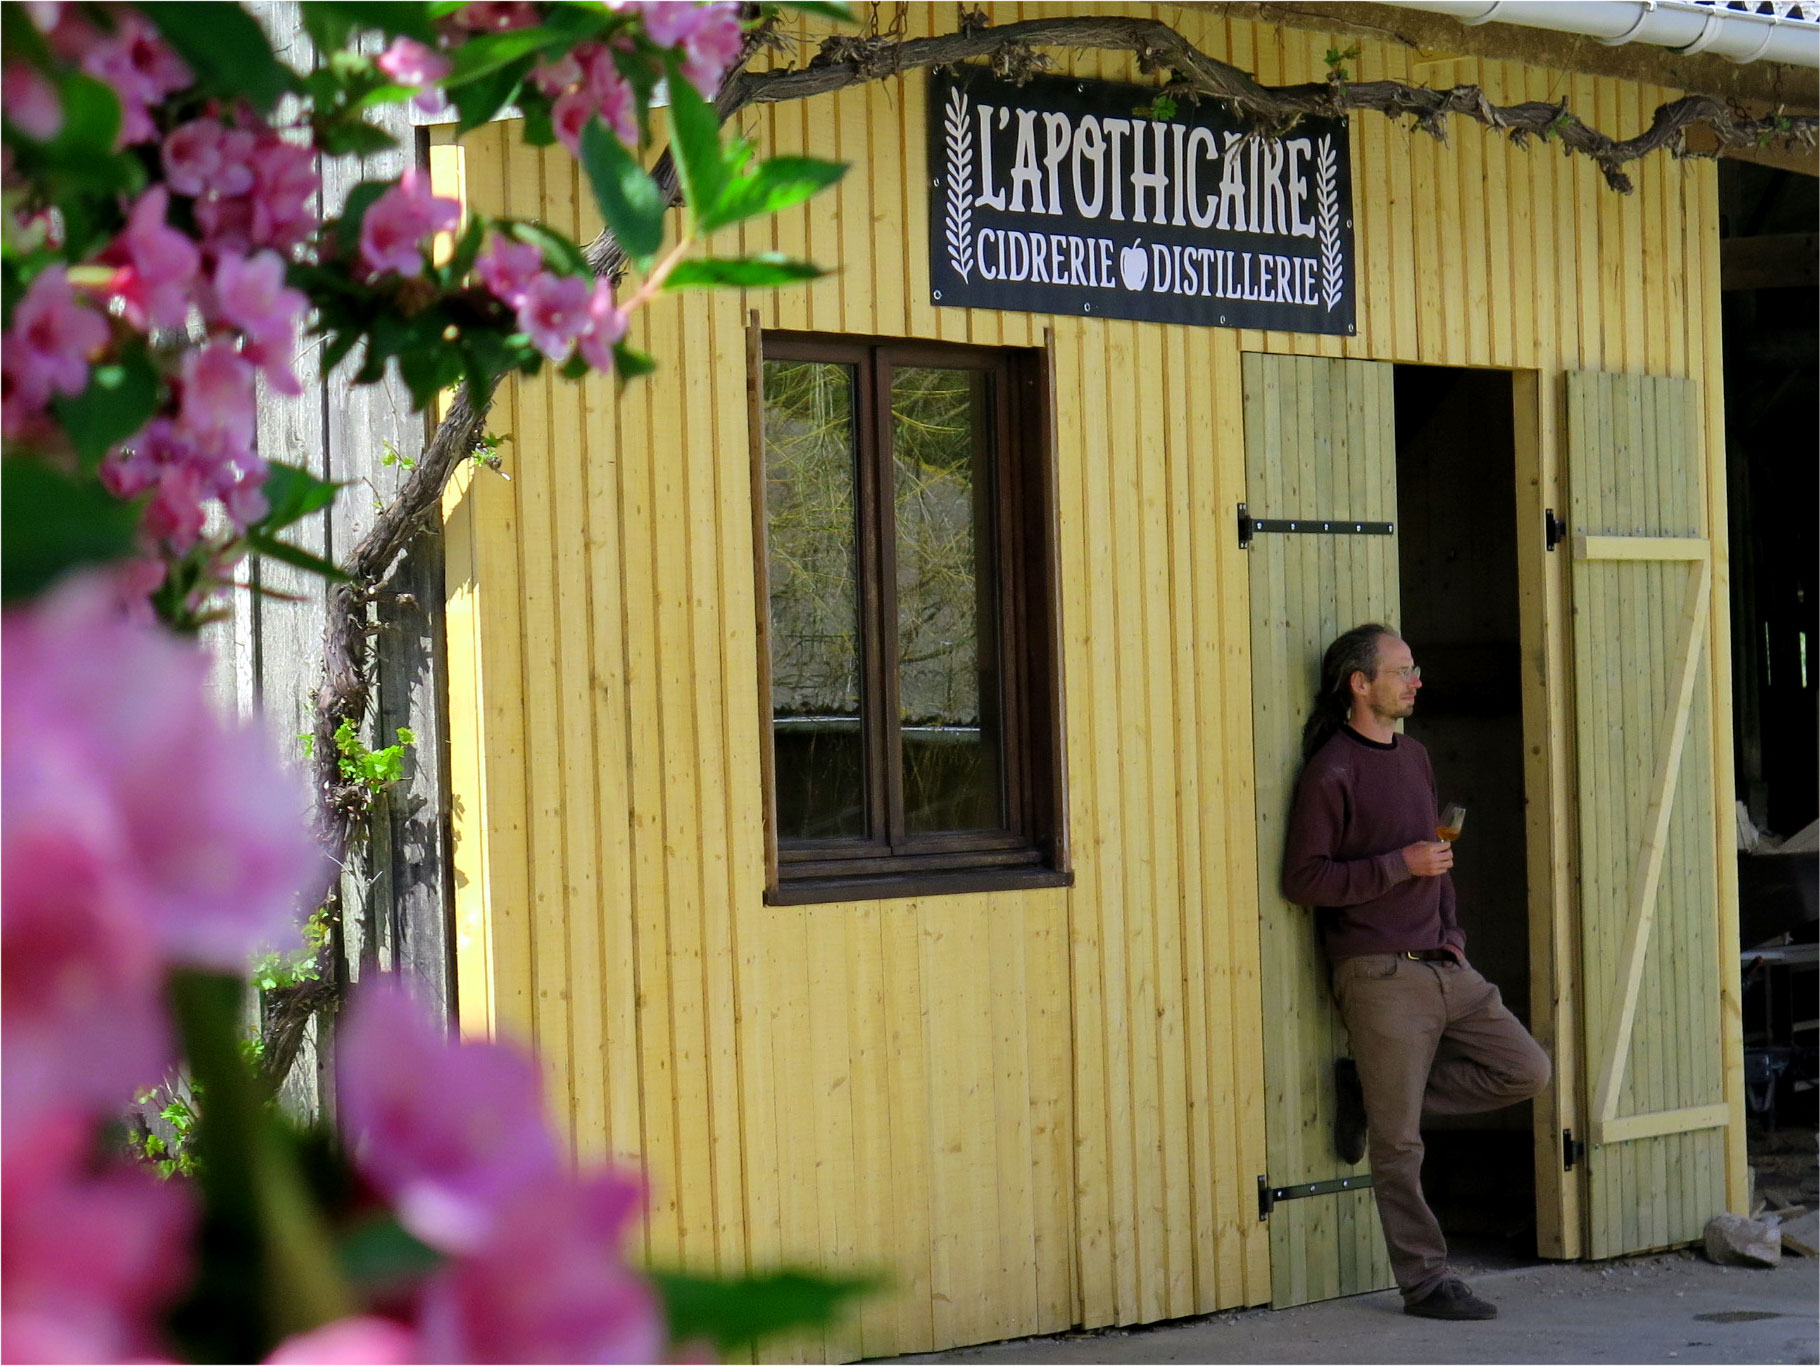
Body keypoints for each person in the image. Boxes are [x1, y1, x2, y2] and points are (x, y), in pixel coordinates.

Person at [1282, 623, 1551, 1322]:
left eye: (1415, 669)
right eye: (1401, 671)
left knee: (1526, 1070)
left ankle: (1369, 1093)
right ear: (1360, 685)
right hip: (1377, 974)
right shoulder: (1331, 770)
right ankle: (1426, 1282)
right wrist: (1397, 866)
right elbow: (1303, 879)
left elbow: (1437, 854)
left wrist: (1453, 934)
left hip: (1444, 963)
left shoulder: (1417, 757)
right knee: (1400, 1144)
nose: (1416, 681)